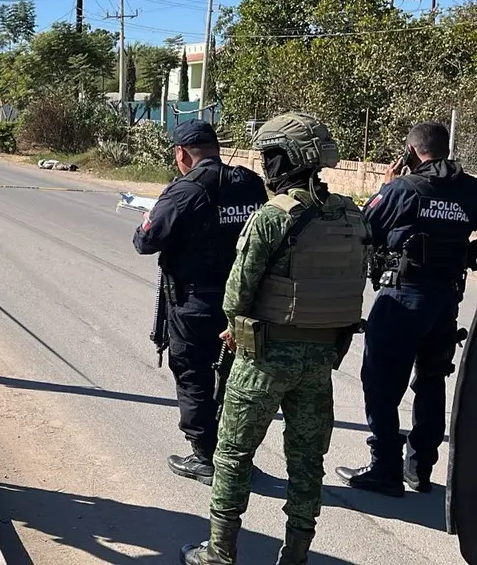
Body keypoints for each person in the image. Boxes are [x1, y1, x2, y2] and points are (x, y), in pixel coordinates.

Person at [181, 112, 369, 565]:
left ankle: (220, 552)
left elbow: (235, 296)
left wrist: (237, 324)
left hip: (263, 360)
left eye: (271, 157)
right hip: (320, 361)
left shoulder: (273, 217)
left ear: (290, 160)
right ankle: (296, 555)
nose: (266, 165)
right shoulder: (350, 214)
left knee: (232, 455)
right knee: (307, 464)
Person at [336, 121, 477, 496]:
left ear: (411, 152)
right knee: (432, 380)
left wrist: (386, 185)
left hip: (402, 298)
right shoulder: (470, 188)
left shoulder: (403, 188)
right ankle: (420, 470)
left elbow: (365, 228)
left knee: (381, 383)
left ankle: (385, 468)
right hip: (446, 302)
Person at [133, 119, 268, 485]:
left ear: (181, 153)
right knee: (235, 378)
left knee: (193, 374)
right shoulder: (250, 184)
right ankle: (233, 453)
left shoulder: (184, 190)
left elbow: (146, 241)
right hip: (244, 301)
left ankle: (205, 457)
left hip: (195, 303)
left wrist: (148, 218)